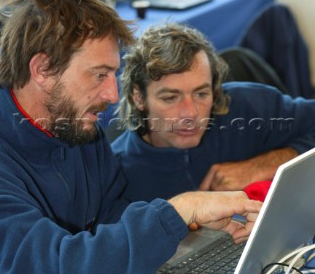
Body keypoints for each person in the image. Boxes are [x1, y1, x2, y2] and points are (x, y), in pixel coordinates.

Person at [0, 0, 263, 273]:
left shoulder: (75, 125)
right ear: (43, 70)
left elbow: (110, 215)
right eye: (99, 75)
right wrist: (176, 213)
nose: (112, 95)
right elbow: (53, 264)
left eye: (113, 74)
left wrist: (186, 223)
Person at [111, 22, 315, 203]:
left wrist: (259, 167)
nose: (190, 113)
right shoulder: (116, 176)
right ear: (138, 97)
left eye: (201, 94)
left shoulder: (248, 109)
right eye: (170, 98)